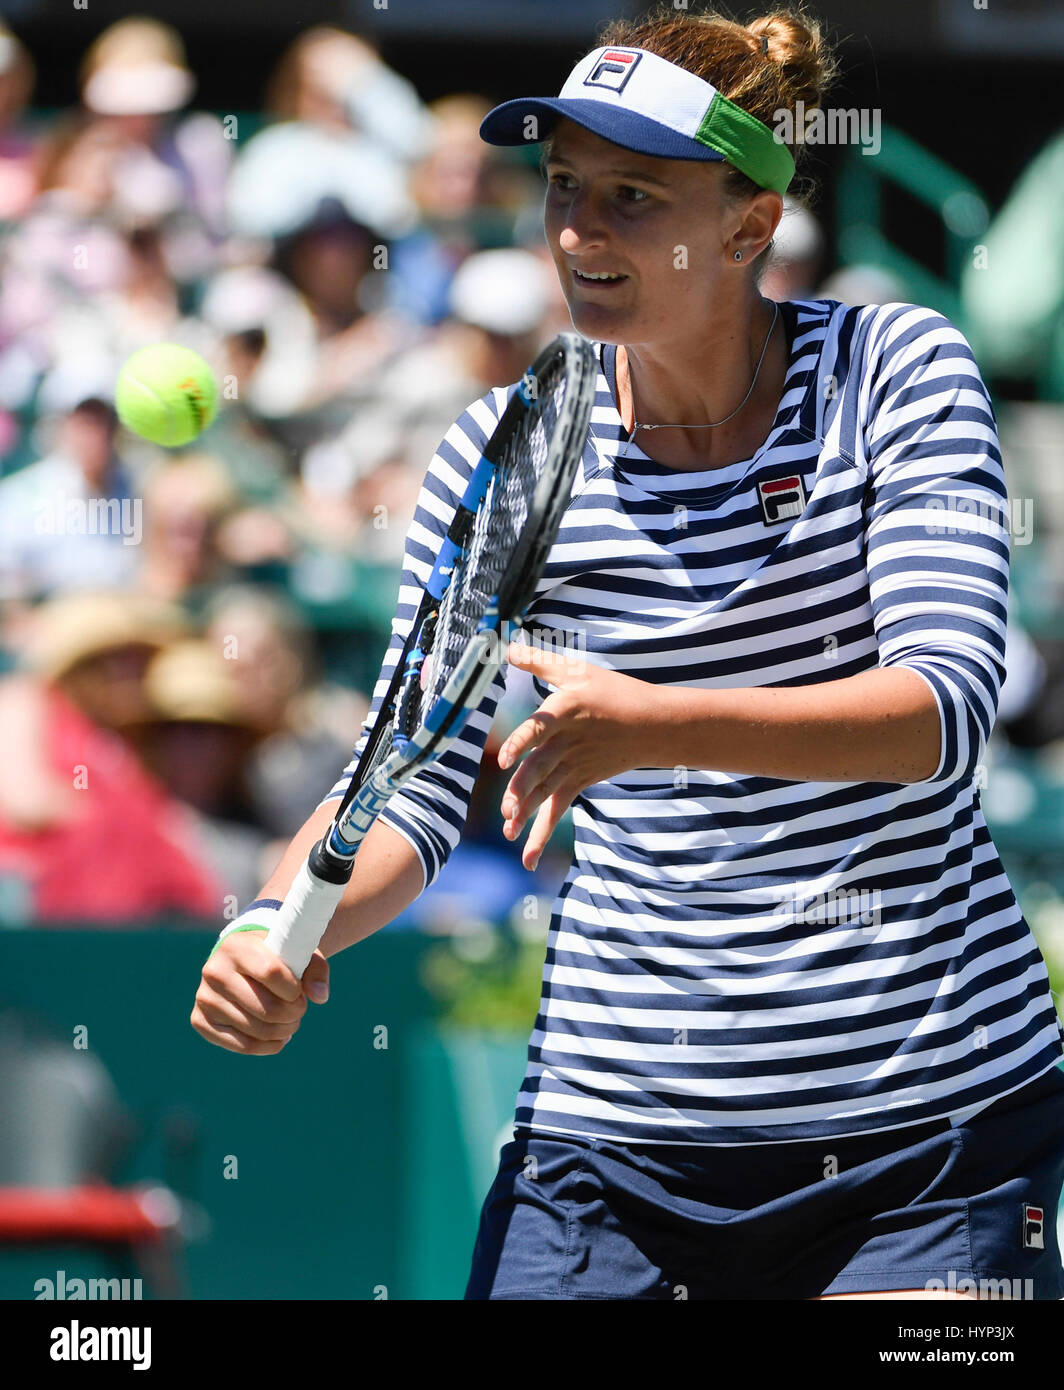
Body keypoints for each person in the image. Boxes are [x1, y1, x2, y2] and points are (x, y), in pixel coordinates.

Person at [191, 6, 1064, 1301]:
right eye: (563, 191)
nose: (578, 235)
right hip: (608, 1143)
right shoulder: (501, 453)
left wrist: (654, 721)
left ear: (749, 225)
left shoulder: (899, 369)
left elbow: (940, 711)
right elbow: (410, 788)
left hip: (927, 1138)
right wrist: (281, 922)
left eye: (634, 197)